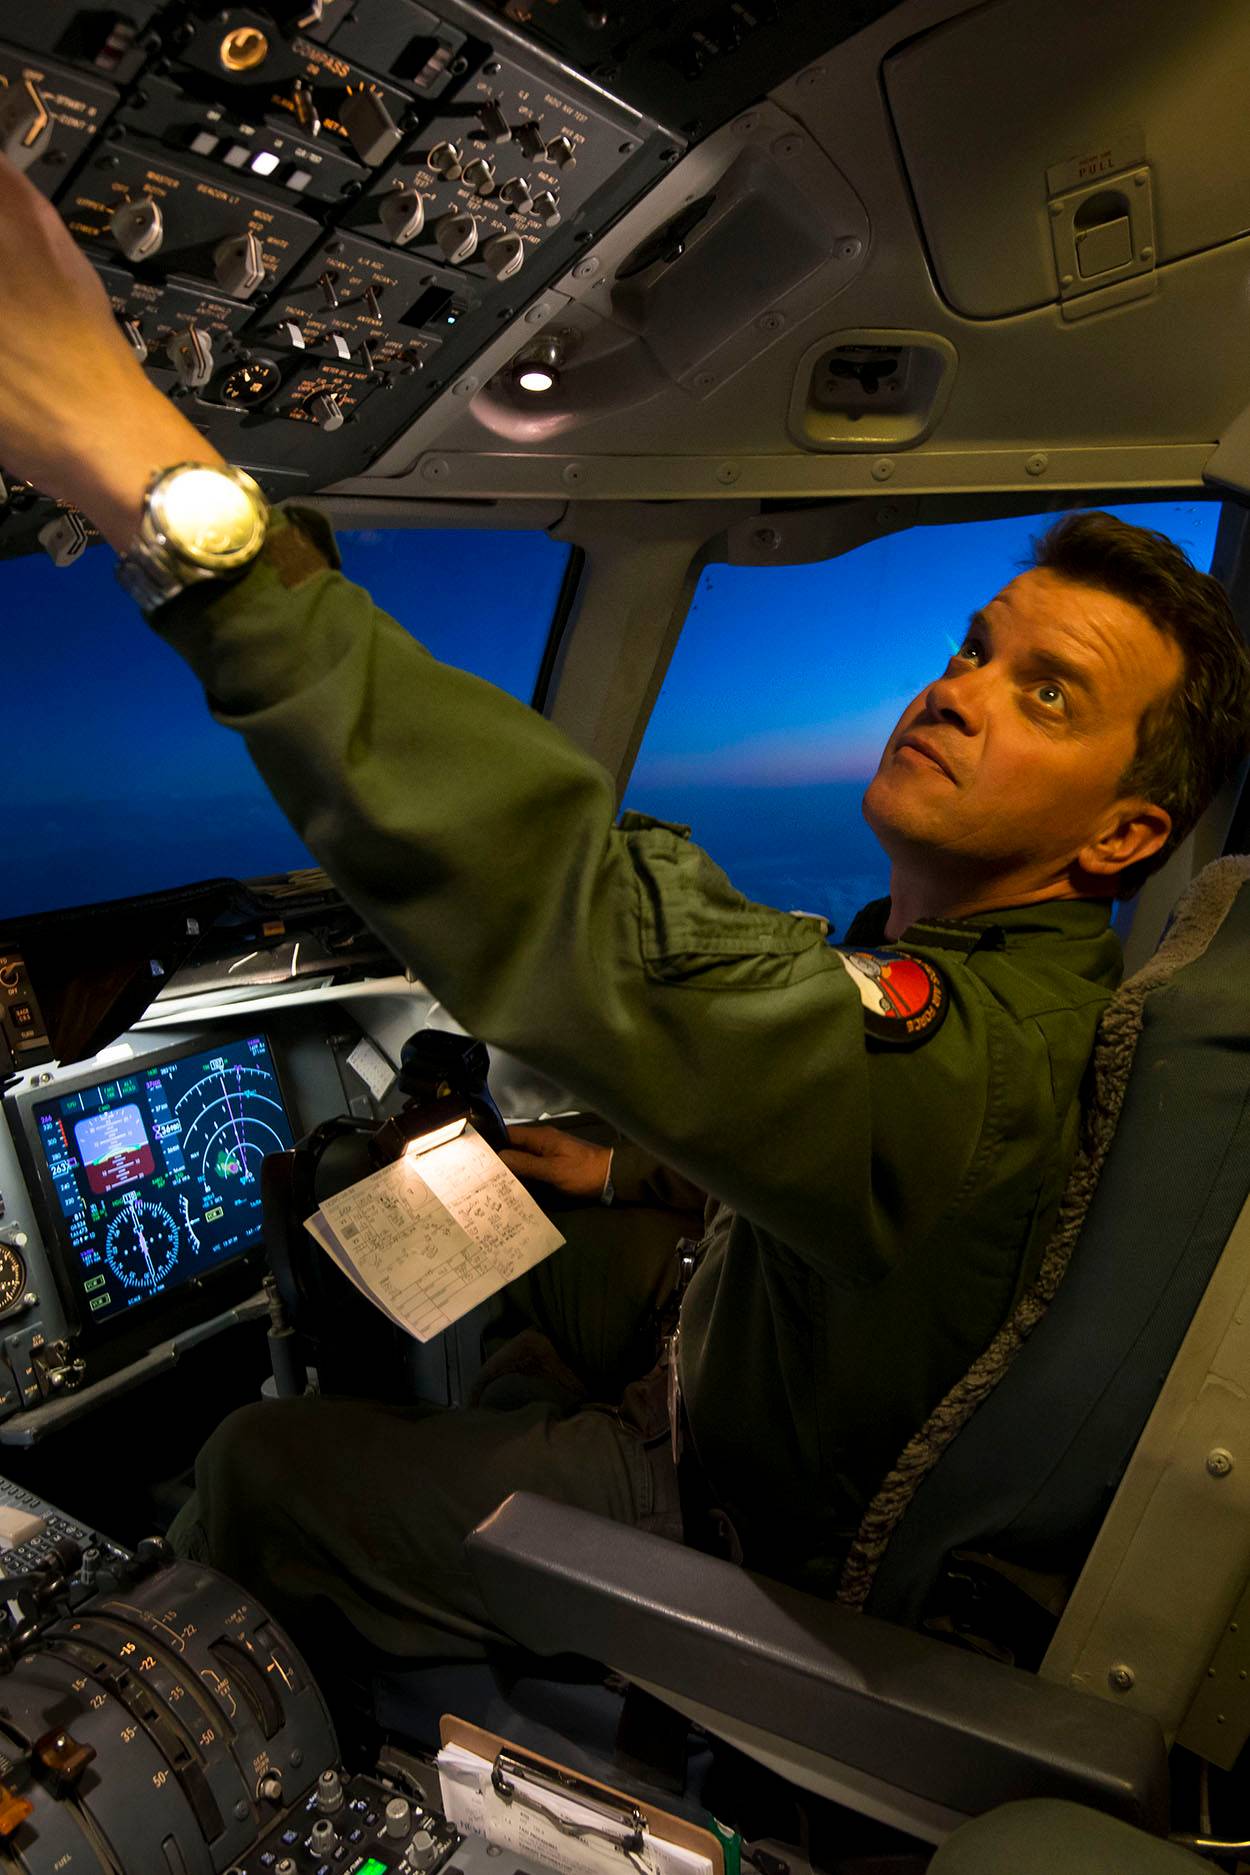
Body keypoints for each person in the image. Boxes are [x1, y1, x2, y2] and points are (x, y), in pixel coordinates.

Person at [1, 153, 1249, 1669]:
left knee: (267, 1464)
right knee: (394, 1204)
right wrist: (625, 1167)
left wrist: (153, 481)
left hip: (726, 1505)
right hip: (723, 1322)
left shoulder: (985, 1058)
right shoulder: (968, 975)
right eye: (975, 651)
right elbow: (823, 1134)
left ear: (1125, 834)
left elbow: (591, 916)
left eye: (1046, 696)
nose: (958, 693)